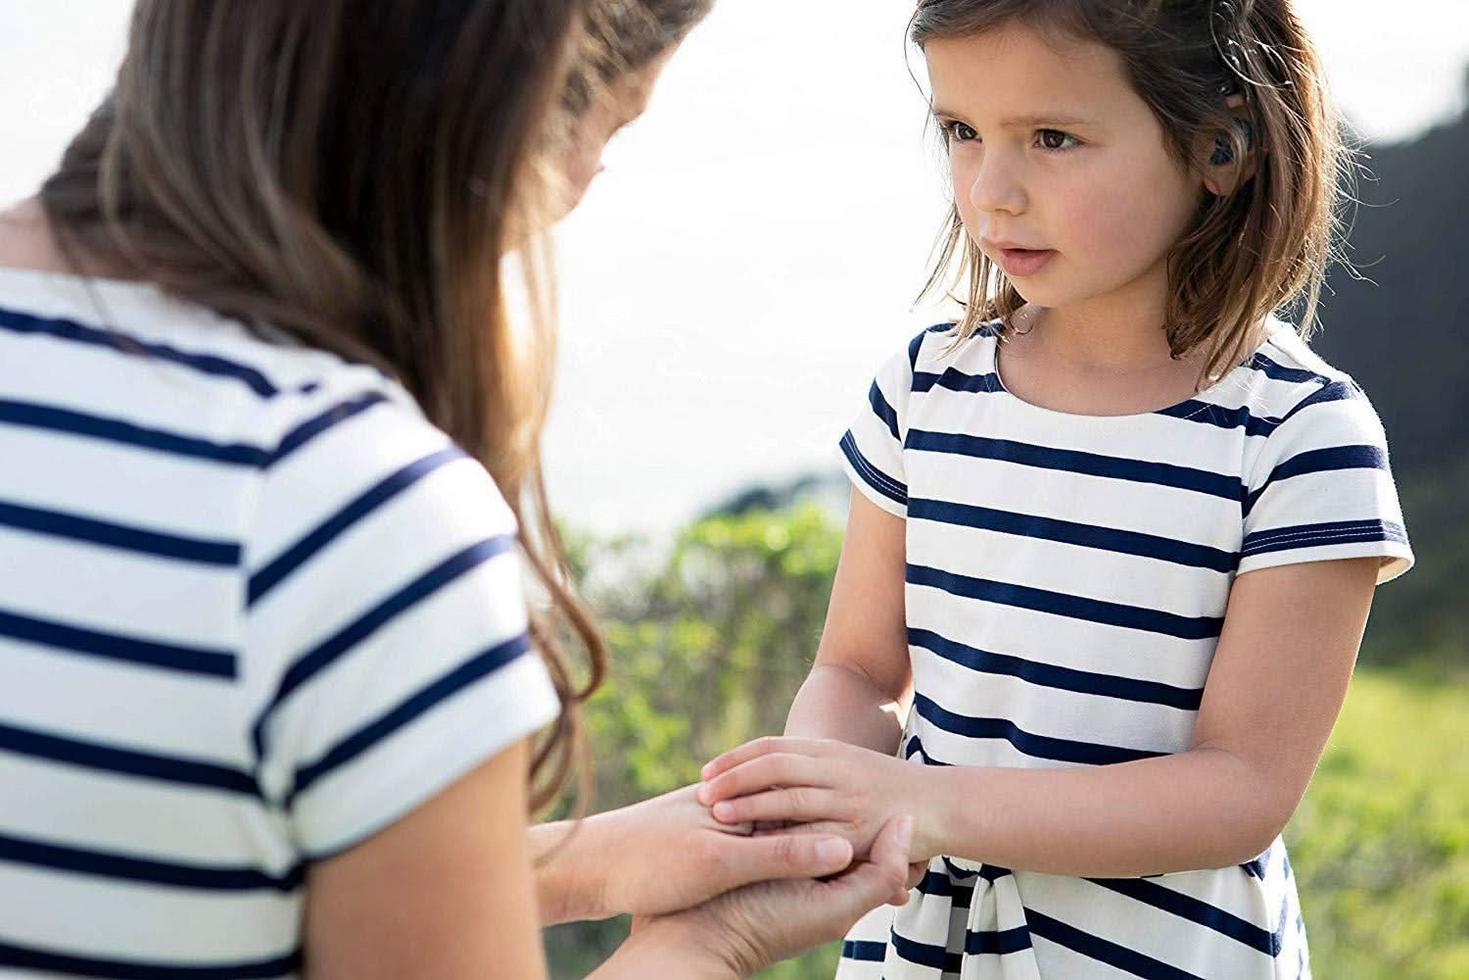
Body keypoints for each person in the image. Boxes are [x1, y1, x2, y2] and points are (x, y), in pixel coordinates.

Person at [0, 1, 909, 977]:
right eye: (615, 124)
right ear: (501, 102)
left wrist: (585, 863)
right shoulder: (344, 509)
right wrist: (707, 941)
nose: (585, 183)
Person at [696, 1, 1415, 977]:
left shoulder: (1298, 436)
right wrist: (820, 795)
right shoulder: (925, 384)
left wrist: (923, 804)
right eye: (959, 131)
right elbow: (859, 670)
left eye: (1050, 138)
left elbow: (1241, 788)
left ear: (1219, 147)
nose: (990, 192)